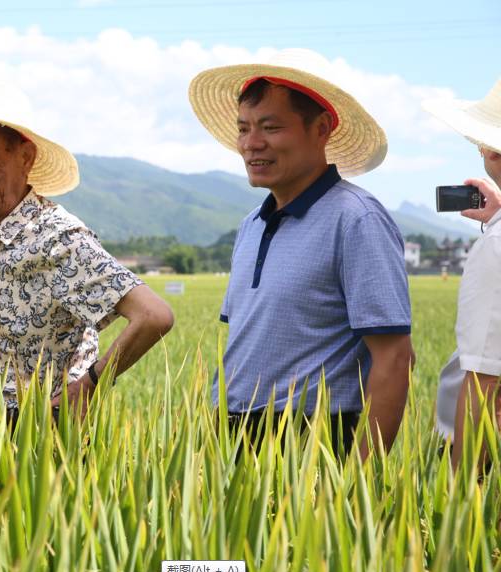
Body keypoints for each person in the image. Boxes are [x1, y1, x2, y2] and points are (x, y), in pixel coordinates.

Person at [0, 83, 174, 417]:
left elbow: (154, 316)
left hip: (51, 427)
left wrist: (90, 384)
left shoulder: (58, 238)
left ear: (25, 157)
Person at [188, 50, 413, 459]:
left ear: (321, 128)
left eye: (270, 127)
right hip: (231, 433)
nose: (252, 143)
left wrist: (357, 478)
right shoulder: (250, 226)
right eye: (244, 129)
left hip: (314, 438)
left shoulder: (356, 219)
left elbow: (396, 359)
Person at [425, 79, 501, 470]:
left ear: (490, 151)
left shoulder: (497, 245)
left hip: (485, 455)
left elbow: (482, 380)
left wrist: (458, 499)